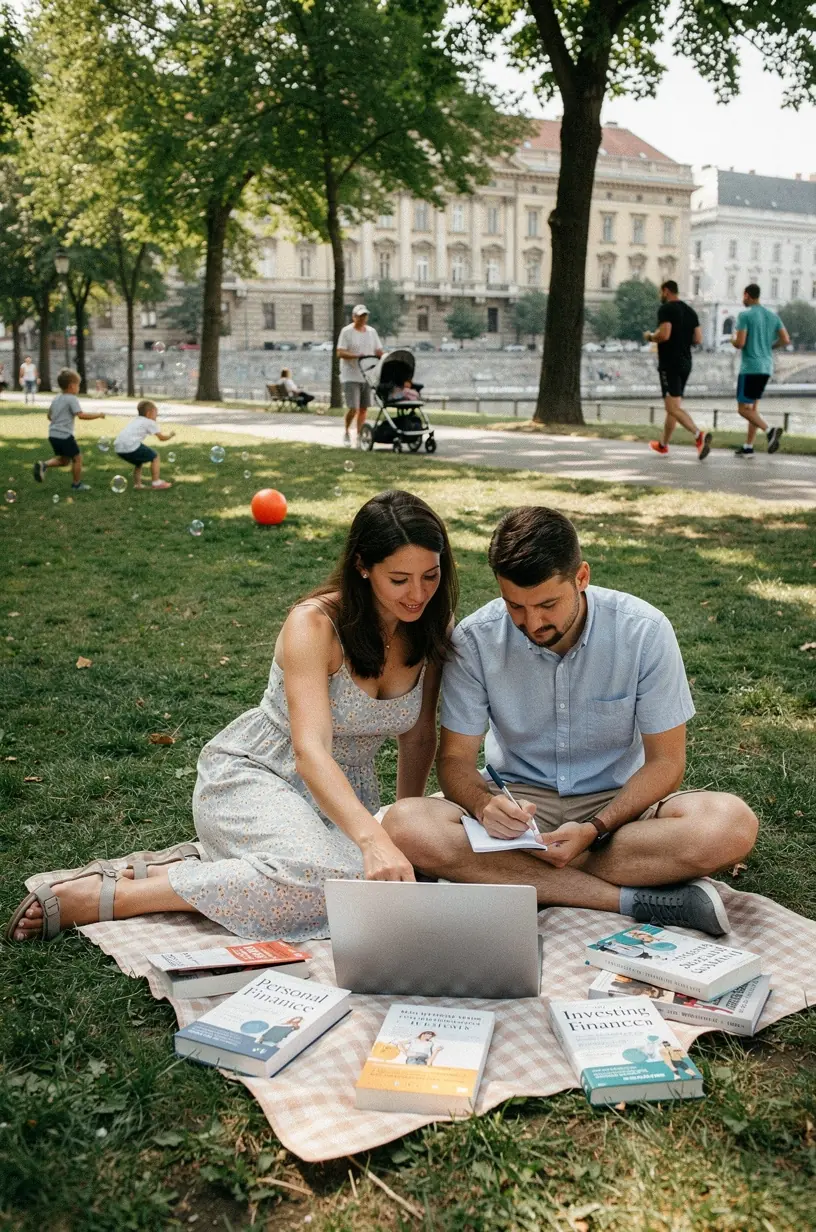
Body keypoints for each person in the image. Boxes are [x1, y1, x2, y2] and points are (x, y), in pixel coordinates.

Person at [9, 490, 458, 943]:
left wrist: (400, 828)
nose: (418, 593)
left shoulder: (432, 628)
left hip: (343, 798)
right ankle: (117, 896)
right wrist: (371, 839)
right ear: (363, 565)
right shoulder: (315, 625)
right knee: (332, 879)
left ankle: (202, 864)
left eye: (430, 575)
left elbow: (419, 736)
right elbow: (310, 750)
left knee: (356, 893)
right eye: (399, 579)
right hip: (255, 775)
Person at [383, 506, 759, 937]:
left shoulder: (644, 631)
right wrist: (485, 806)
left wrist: (595, 828)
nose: (533, 623)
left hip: (620, 810)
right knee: (405, 824)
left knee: (729, 824)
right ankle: (625, 899)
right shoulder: (475, 638)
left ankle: (520, 874)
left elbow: (666, 763)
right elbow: (454, 760)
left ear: (581, 577)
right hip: (518, 811)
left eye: (547, 604)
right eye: (515, 607)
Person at [644, 281, 711, 460]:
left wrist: (651, 336)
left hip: (670, 363)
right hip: (686, 362)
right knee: (674, 406)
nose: (661, 295)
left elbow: (664, 334)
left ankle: (698, 436)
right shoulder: (690, 311)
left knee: (672, 407)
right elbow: (698, 339)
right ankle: (663, 445)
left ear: (666, 291)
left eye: (661, 292)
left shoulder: (666, 309)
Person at [731, 284, 790, 457]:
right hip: (766, 367)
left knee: (743, 410)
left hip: (750, 367)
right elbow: (785, 339)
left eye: (743, 296)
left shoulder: (745, 315)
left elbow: (740, 343)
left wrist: (733, 341)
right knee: (753, 410)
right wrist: (770, 347)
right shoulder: (772, 316)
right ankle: (748, 447)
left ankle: (769, 430)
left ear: (747, 295)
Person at [32, 368, 105, 492]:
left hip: (53, 435)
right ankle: (76, 485)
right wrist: (98, 415)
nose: (78, 388)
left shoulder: (57, 398)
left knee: (65, 460)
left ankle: (43, 465)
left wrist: (58, 421)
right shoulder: (71, 399)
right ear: (71, 386)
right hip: (64, 436)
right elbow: (81, 415)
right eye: (78, 385)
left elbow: (49, 416)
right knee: (77, 458)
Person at [336, 305, 383, 448]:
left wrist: (383, 357)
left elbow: (378, 350)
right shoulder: (347, 332)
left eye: (365, 316)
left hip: (367, 374)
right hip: (350, 374)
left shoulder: (371, 332)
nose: (362, 319)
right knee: (353, 407)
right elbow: (340, 352)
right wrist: (356, 356)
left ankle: (359, 434)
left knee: (363, 408)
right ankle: (346, 431)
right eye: (360, 316)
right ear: (354, 317)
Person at [113, 400, 175, 490]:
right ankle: (156, 482)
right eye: (155, 414)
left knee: (139, 462)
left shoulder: (136, 420)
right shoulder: (149, 422)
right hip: (130, 446)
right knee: (155, 456)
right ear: (149, 413)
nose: (156, 417)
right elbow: (161, 438)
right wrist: (170, 435)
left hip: (119, 448)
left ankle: (138, 485)